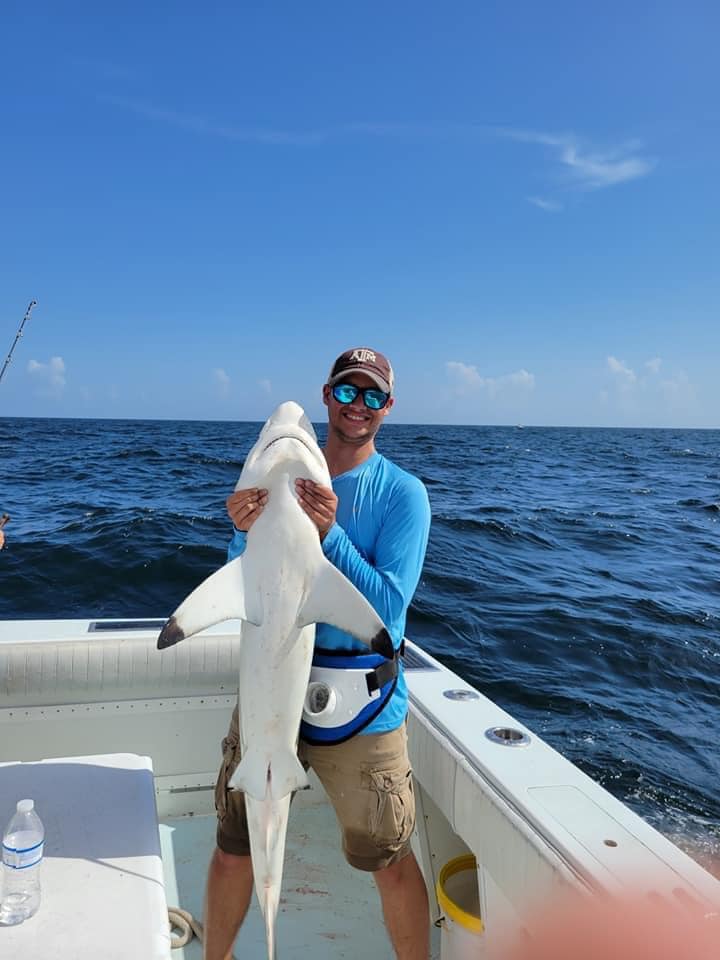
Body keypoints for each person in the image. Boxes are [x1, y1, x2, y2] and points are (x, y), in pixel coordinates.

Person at [203, 347, 432, 960]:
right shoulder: (268, 487)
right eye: (348, 392)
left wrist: (330, 534)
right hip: (271, 692)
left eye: (373, 395)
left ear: (388, 407)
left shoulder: (402, 495)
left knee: (389, 860)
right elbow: (243, 584)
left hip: (362, 705)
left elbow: (384, 615)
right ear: (327, 395)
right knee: (232, 849)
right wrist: (242, 532)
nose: (359, 406)